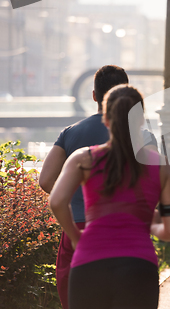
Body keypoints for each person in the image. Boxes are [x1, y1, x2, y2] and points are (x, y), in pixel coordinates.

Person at [48, 85, 170, 309]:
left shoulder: (83, 159)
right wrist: (149, 223)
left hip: (88, 264)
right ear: (141, 120)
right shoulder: (159, 165)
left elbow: (56, 201)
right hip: (139, 267)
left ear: (106, 120)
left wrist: (75, 236)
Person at [39, 65, 157, 309]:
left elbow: (46, 180)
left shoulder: (71, 134)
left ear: (94, 96)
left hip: (81, 230)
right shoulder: (143, 137)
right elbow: (153, 186)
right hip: (130, 233)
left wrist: (78, 199)